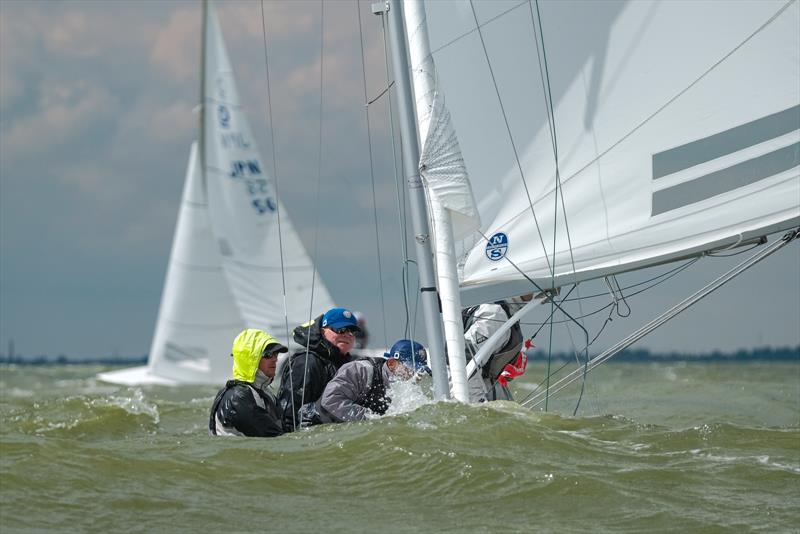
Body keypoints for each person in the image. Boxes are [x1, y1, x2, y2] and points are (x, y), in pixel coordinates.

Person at [299, 339, 429, 425]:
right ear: (392, 363)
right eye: (410, 368)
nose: (413, 374)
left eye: (417, 370)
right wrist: (371, 418)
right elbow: (331, 400)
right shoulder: (361, 370)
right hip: (313, 424)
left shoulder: (401, 383)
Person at [277, 307, 362, 432]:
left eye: (352, 331)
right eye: (341, 329)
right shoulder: (307, 362)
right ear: (323, 332)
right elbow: (289, 416)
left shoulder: (348, 364)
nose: (347, 335)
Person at [209, 328, 288, 437]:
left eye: (276, 354)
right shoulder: (238, 396)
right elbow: (271, 436)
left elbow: (284, 429)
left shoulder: (266, 393)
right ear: (251, 359)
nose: (275, 359)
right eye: (268, 354)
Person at [462, 294, 532, 402]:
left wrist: (505, 362)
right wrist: (478, 406)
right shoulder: (495, 315)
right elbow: (465, 357)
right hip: (478, 400)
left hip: (491, 396)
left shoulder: (507, 311)